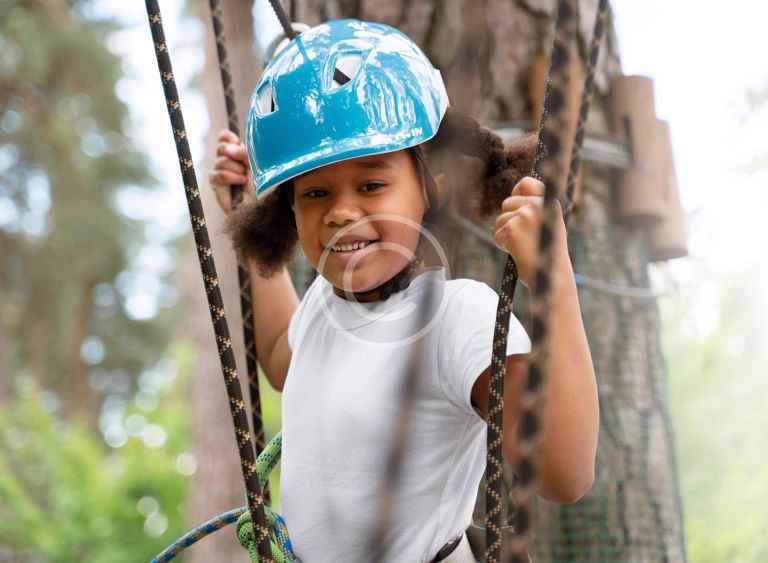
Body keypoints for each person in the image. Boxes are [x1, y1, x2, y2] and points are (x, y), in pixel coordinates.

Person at [210, 19, 598, 563]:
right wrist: (240, 206)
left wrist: (553, 281)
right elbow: (280, 356)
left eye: (371, 184)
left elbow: (563, 473)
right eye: (315, 193)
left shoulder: (458, 319)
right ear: (289, 211)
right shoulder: (323, 305)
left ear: (430, 189)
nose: (341, 212)